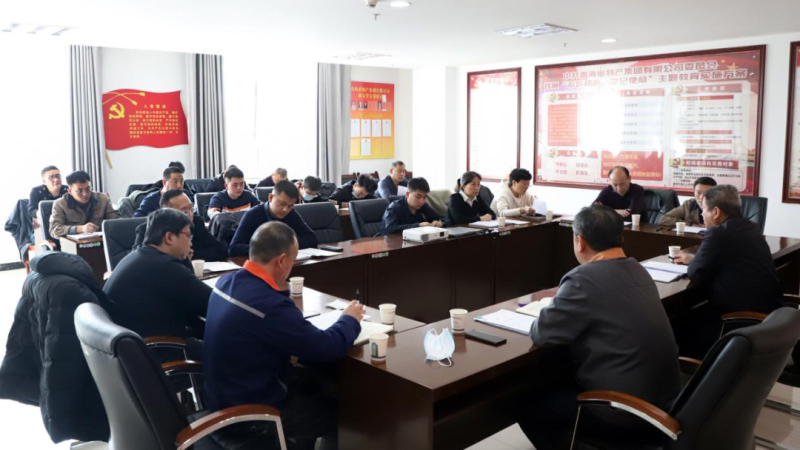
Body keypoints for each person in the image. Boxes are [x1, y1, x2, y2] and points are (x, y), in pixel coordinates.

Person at [517, 205, 680, 449]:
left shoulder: (583, 279)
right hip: (665, 403)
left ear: (580, 241)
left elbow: (542, 334)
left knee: (526, 402)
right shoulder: (638, 269)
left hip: (625, 412)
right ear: (621, 238)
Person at [204, 221, 363, 449]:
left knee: (315, 386)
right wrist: (349, 319)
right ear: (281, 260)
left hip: (223, 397)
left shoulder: (226, 281)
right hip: (253, 412)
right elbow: (327, 348)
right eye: (293, 259)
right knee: (343, 415)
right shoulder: (269, 305)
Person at [672, 185, 784, 356]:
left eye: (704, 210)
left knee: (676, 323)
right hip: (771, 317)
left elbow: (696, 273)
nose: (702, 215)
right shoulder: (751, 228)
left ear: (716, 212)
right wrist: (694, 259)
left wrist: (694, 261)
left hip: (741, 321)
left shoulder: (718, 234)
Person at [104, 208, 212, 344]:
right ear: (169, 237)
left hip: (134, 344)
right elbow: (213, 303)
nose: (190, 243)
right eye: (188, 236)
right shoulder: (165, 266)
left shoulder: (139, 256)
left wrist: (184, 259)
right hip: (159, 347)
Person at [133, 189, 228, 262]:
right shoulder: (146, 229)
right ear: (167, 212)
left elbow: (220, 250)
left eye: (191, 209)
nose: (190, 214)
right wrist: (177, 256)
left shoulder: (197, 222)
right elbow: (139, 259)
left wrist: (190, 255)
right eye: (184, 211)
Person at [229, 180, 319, 256]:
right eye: (282, 204)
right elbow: (234, 248)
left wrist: (287, 245)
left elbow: (312, 238)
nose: (285, 210)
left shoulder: (291, 214)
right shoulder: (253, 215)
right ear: (271, 197)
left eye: (290, 206)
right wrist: (266, 249)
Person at [50, 170, 120, 238]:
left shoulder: (103, 199)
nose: (85, 194)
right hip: (73, 244)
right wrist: (80, 229)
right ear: (70, 191)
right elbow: (54, 230)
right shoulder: (60, 204)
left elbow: (115, 220)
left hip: (100, 241)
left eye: (87, 189)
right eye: (79, 191)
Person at [381, 177, 446, 235]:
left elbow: (444, 219)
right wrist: (418, 225)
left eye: (424, 197)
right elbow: (390, 229)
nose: (421, 201)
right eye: (418, 197)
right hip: (393, 242)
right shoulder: (394, 208)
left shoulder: (423, 206)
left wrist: (440, 222)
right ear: (407, 194)